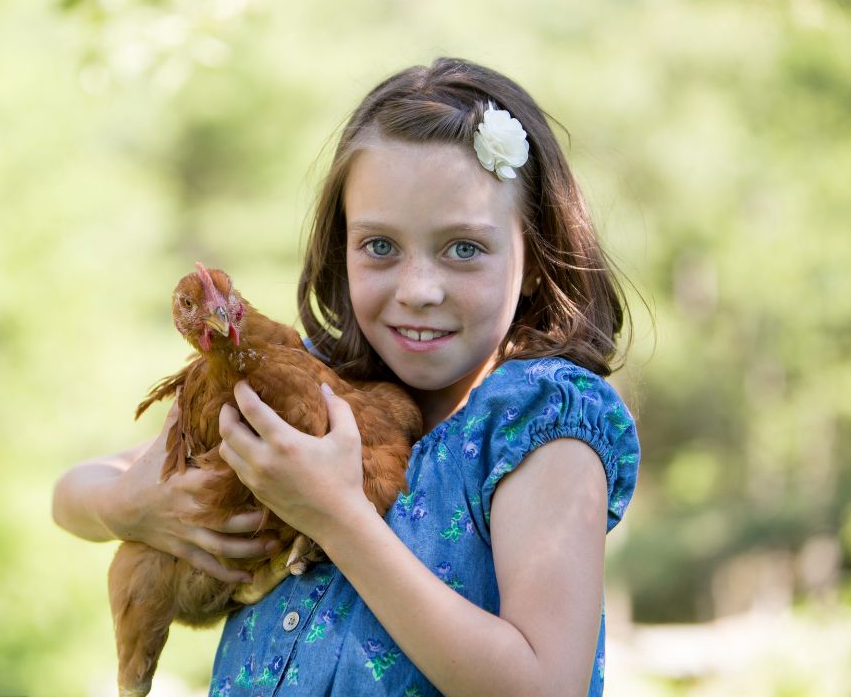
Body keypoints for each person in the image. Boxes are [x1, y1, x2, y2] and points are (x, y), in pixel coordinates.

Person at [53, 57, 640, 696]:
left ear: (532, 259)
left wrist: (335, 516)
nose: (418, 290)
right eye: (380, 246)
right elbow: (74, 494)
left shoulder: (537, 425)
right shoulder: (309, 384)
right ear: (342, 249)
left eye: (464, 248)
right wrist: (134, 507)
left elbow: (544, 687)